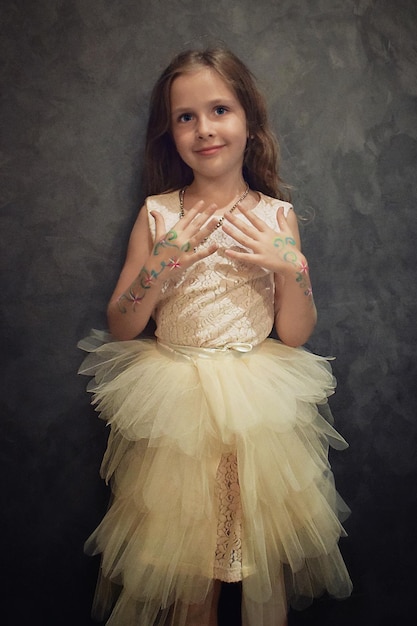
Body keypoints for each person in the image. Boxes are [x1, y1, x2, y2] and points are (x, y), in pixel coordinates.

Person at [79, 47, 352, 626]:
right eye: (185, 116)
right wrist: (161, 265)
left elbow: (296, 334)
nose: (204, 128)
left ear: (247, 121)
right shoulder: (159, 214)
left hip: (257, 412)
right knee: (189, 574)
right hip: (179, 411)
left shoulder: (276, 217)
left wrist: (291, 269)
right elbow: (124, 324)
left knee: (260, 569)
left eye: (220, 109)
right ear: (171, 133)